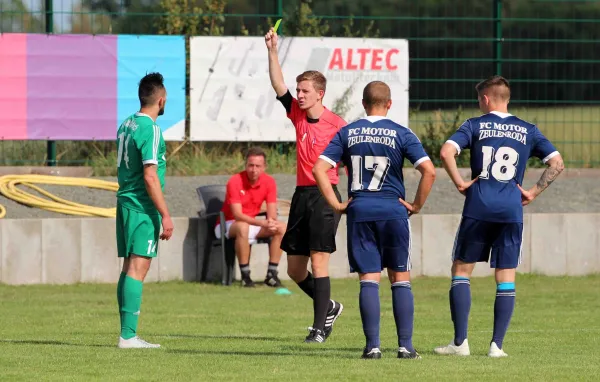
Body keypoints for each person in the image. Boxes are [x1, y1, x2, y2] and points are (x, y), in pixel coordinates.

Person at [433, 75, 564, 358]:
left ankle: (460, 343)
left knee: (461, 270)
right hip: (510, 209)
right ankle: (497, 346)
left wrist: (459, 182)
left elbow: (445, 152)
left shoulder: (474, 125)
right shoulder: (528, 129)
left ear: (486, 99)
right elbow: (557, 163)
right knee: (505, 275)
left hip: (479, 205)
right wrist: (533, 192)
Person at [313, 81, 436, 359]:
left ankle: (373, 347)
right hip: (393, 211)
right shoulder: (401, 133)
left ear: (363, 103)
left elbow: (319, 168)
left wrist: (337, 204)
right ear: (389, 104)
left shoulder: (347, 132)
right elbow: (429, 171)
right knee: (399, 277)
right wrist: (415, 205)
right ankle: (405, 346)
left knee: (368, 278)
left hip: (360, 210)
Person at [265, 26, 346, 343]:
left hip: (326, 197)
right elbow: (278, 85)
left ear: (320, 94)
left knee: (319, 259)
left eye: (305, 91)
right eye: (298, 90)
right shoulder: (297, 114)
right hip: (301, 196)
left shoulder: (338, 125)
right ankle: (329, 307)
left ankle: (319, 329)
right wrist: (272, 50)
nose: (298, 95)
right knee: (295, 270)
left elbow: (353, 162)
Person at [115, 72, 174, 349]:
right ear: (161, 100)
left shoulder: (126, 124)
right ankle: (128, 336)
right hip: (142, 206)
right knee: (138, 268)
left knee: (129, 268)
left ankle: (126, 333)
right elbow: (150, 175)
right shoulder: (150, 129)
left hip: (126, 202)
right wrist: (165, 214)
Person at [215, 146, 287, 288]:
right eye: (251, 165)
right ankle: (245, 276)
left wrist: (271, 222)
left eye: (258, 166)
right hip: (228, 224)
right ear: (245, 165)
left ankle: (271, 274)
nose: (254, 169)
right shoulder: (235, 181)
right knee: (243, 227)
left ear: (264, 167)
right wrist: (263, 224)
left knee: (281, 227)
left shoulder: (269, 182)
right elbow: (237, 215)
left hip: (251, 224)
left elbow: (272, 211)